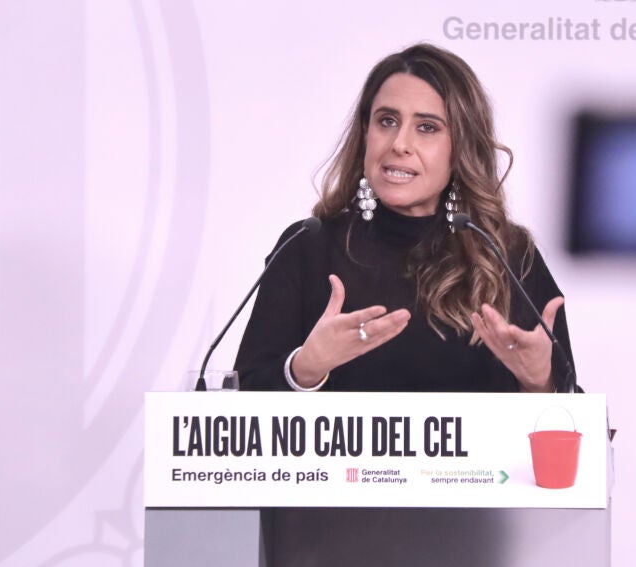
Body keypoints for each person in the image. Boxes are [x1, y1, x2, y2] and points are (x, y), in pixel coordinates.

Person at [234, 43, 575, 394]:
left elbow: (575, 416)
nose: (399, 143)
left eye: (427, 127)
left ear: (461, 147)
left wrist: (539, 383)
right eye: (387, 121)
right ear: (365, 132)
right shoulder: (307, 248)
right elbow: (238, 403)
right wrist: (305, 368)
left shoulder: (508, 255)